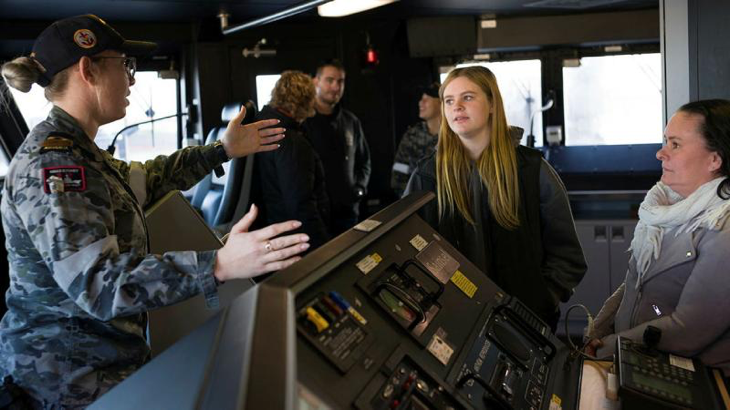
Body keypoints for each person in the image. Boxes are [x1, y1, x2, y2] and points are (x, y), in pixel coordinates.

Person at [0, 14, 310, 407]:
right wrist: (217, 265)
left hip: (101, 368)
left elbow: (146, 179)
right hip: (68, 383)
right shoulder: (56, 166)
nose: (132, 79)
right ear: (87, 69)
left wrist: (221, 150)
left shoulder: (82, 153)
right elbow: (98, 284)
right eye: (125, 66)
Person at [404, 66, 586, 330]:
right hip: (452, 324)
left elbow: (568, 256)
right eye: (449, 101)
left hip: (525, 326)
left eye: (468, 97)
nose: (457, 107)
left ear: (491, 104)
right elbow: (406, 249)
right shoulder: (426, 176)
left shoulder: (531, 170)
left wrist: (541, 301)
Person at [586, 99, 730, 374]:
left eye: (675, 144)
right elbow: (635, 282)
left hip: (694, 380)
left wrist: (606, 347)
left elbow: (689, 329)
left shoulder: (722, 228)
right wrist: (597, 332)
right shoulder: (669, 209)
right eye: (665, 141)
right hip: (634, 362)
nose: (660, 153)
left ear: (714, 159)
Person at [253, 71, 330, 250]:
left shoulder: (262, 127)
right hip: (293, 241)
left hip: (273, 236)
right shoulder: (289, 140)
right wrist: (325, 248)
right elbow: (300, 203)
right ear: (305, 100)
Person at [305, 59, 371, 235]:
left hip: (348, 213)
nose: (335, 86)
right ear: (315, 81)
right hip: (315, 215)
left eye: (340, 81)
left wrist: (359, 189)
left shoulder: (351, 121)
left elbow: (364, 161)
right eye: (329, 80)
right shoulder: (303, 121)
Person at [391, 82, 441, 198]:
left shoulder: (454, 134)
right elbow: (399, 169)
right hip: (415, 202)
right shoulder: (412, 134)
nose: (420, 103)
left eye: (426, 99)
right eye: (420, 99)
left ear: (440, 102)